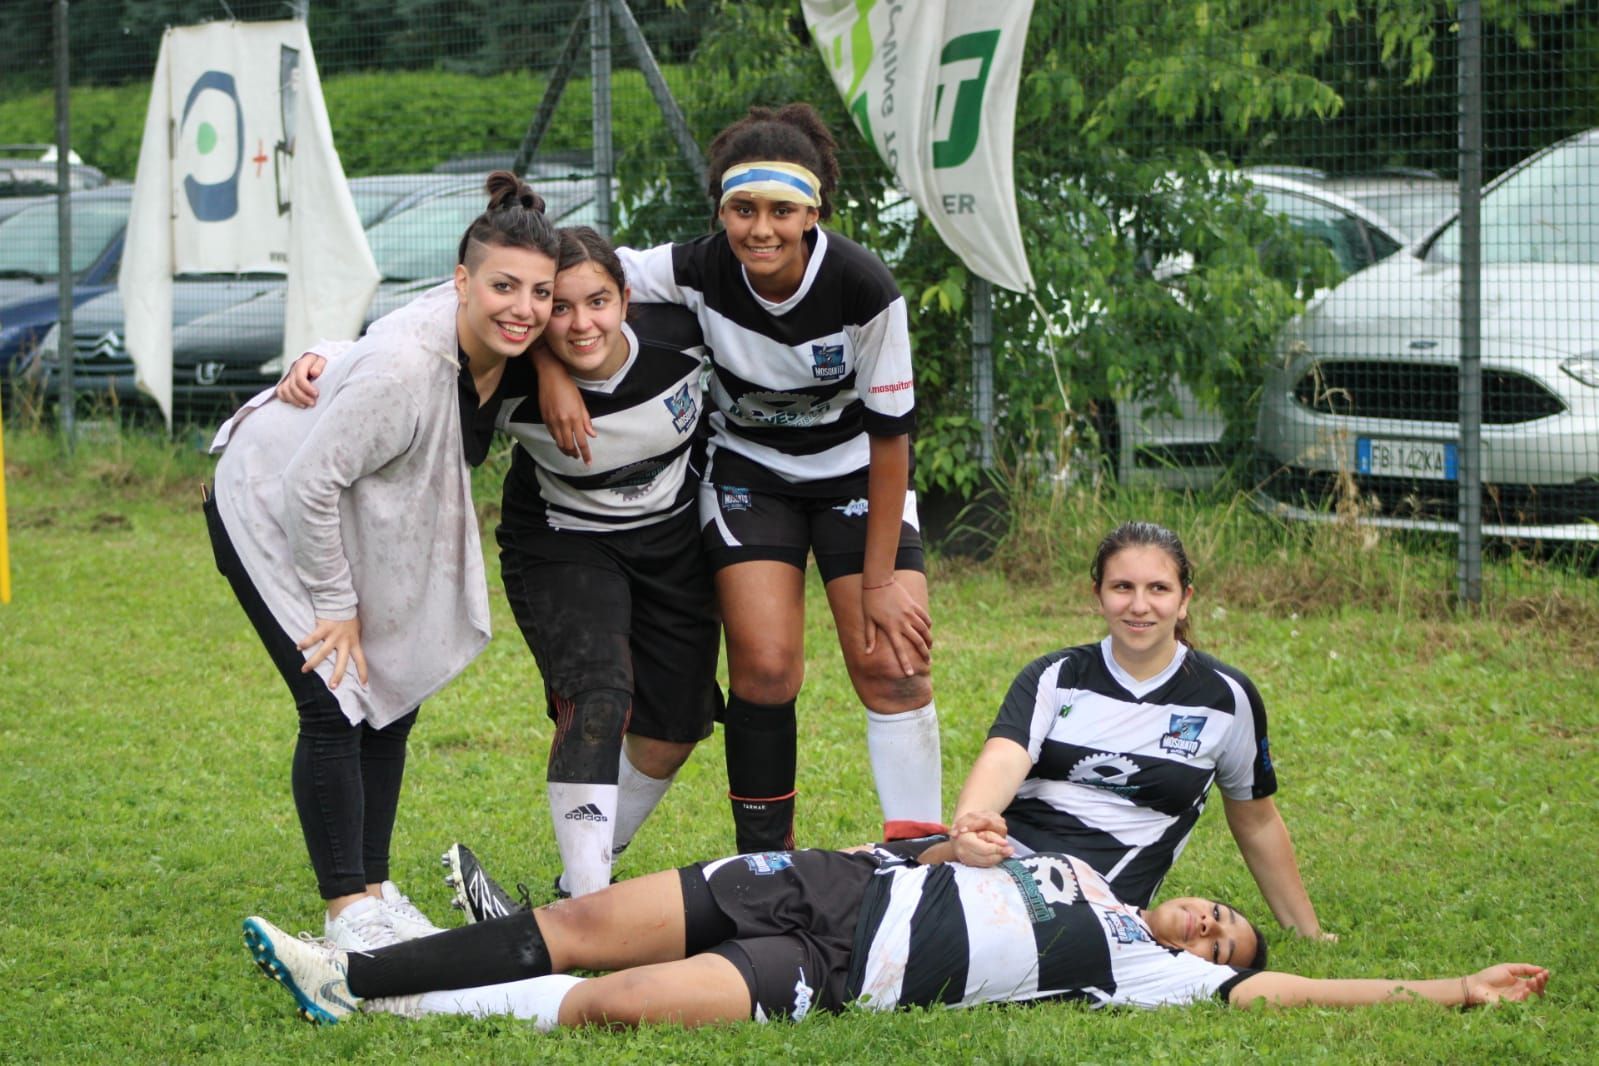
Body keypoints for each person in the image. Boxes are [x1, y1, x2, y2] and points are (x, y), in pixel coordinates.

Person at [537, 103, 941, 853]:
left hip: (856, 469)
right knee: (762, 668)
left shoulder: (863, 286)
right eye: (742, 208)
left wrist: (880, 581)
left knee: (892, 667)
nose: (761, 228)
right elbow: (554, 283)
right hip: (752, 471)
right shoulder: (691, 266)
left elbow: (891, 442)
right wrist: (544, 366)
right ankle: (766, 871)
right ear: (720, 209)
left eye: (782, 210)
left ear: (813, 211)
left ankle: (919, 857)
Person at [280, 226, 724, 900]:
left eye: (596, 302)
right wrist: (321, 355)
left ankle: (584, 879)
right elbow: (414, 342)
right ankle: (588, 901)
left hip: (671, 543)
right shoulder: (505, 366)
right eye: (560, 309)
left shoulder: (686, 336)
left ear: (626, 299)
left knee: (674, 731)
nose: (578, 324)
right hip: (562, 539)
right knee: (598, 698)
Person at [240, 816, 1548, 1029]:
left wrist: (1438, 988)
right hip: (817, 877)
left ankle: (389, 995)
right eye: (1215, 914)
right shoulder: (1084, 872)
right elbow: (949, 831)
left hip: (837, 968)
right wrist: (955, 836)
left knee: (620, 1002)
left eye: (1219, 943)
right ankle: (358, 968)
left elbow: (1283, 995)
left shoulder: (1137, 973)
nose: (1209, 930)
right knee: (579, 918)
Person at [207, 171, 558, 949]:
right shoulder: (408, 367)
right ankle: (347, 918)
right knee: (333, 699)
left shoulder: (512, 346)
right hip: (266, 501)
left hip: (343, 513)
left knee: (389, 703)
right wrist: (335, 606)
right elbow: (309, 483)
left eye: (540, 294)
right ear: (460, 282)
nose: (523, 310)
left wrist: (557, 374)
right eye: (503, 287)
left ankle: (374, 889)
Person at [943, 520, 1329, 935]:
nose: (1139, 605)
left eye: (1159, 589)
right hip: (995, 863)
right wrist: (970, 827)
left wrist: (1309, 932)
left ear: (1184, 601)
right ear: (1099, 596)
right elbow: (1003, 758)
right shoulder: (1055, 675)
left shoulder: (1226, 699)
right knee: (871, 871)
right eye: (1122, 587)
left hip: (1090, 906)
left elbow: (1257, 821)